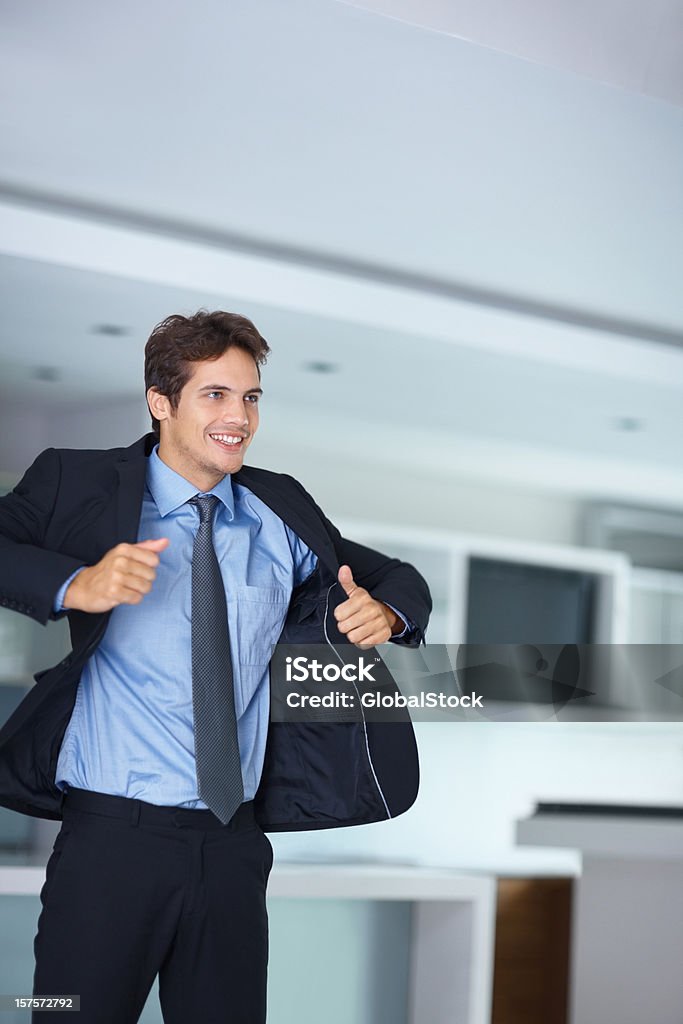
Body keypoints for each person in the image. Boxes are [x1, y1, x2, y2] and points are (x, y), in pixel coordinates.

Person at [0, 310, 432, 1024]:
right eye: (215, 395)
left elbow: (395, 575)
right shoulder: (75, 482)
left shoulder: (277, 510)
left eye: (250, 397)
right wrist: (74, 585)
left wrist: (389, 612)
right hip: (109, 847)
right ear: (160, 402)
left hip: (232, 847)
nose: (238, 417)